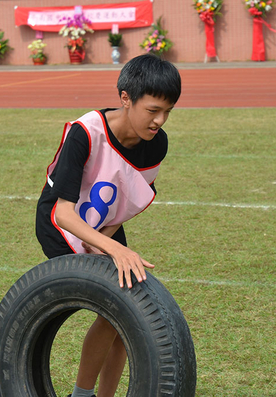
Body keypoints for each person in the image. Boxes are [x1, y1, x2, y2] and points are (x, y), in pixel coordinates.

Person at [35, 53, 182, 397]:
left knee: (123, 316)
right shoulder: (86, 132)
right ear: (126, 99)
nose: (159, 121)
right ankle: (81, 395)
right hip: (60, 225)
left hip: (107, 223)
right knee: (112, 307)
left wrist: (108, 240)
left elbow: (129, 199)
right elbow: (63, 214)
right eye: (152, 111)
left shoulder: (155, 144)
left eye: (167, 112)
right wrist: (111, 249)